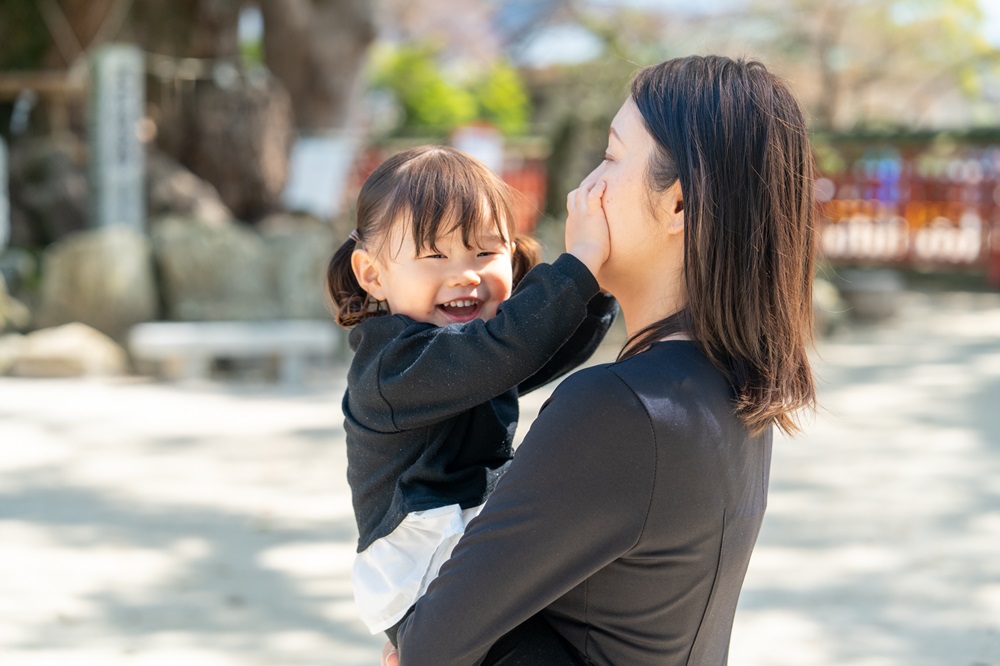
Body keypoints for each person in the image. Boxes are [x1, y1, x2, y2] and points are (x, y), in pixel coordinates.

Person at [385, 54, 817, 665]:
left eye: (612, 157)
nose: (583, 189)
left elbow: (431, 644)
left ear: (678, 206)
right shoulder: (737, 389)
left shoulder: (617, 409)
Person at [326, 146, 617, 648]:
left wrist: (605, 285)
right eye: (434, 256)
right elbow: (509, 350)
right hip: (423, 576)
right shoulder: (394, 366)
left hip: (474, 552)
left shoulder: (476, 355)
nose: (465, 275)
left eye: (485, 252)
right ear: (373, 274)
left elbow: (540, 352)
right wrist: (580, 265)